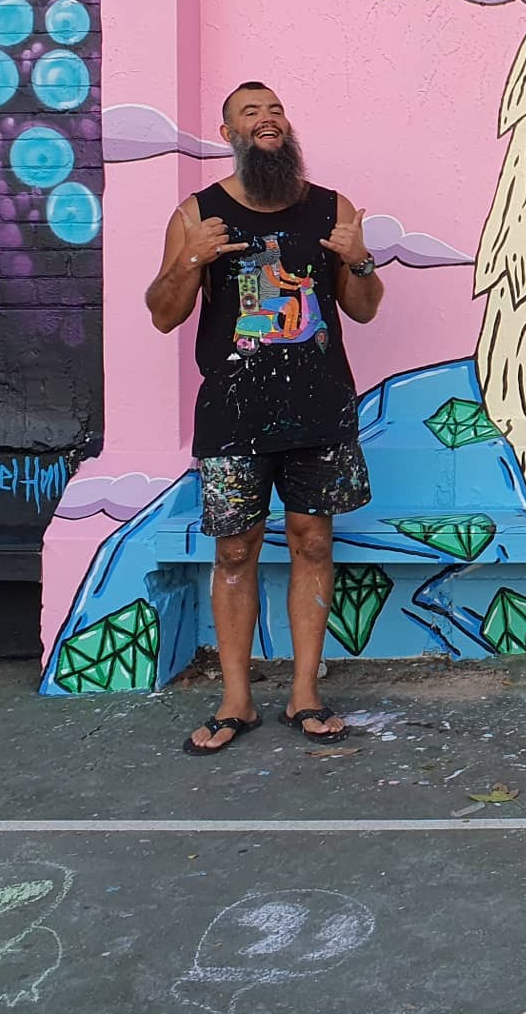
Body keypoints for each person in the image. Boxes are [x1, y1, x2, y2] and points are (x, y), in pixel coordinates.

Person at [145, 82, 384, 755]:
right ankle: (237, 701)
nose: (267, 119)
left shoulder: (331, 210)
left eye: (275, 109)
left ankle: (305, 695)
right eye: (250, 113)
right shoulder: (198, 213)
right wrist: (193, 258)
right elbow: (163, 312)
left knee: (312, 542)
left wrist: (357, 257)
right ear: (229, 132)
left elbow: (364, 307)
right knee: (234, 550)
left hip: (319, 408)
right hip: (232, 415)